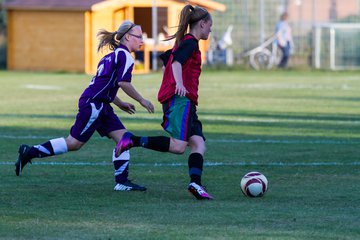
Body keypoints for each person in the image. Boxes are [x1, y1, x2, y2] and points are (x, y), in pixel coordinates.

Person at [15, 20, 155, 191]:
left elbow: (104, 85)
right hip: (94, 105)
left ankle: (122, 181)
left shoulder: (111, 55)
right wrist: (142, 100)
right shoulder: (125, 56)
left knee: (124, 139)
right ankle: (29, 152)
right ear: (127, 37)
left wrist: (119, 103)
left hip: (101, 104)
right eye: (139, 37)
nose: (142, 40)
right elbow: (123, 83)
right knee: (73, 143)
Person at [115, 5, 214, 200]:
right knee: (178, 146)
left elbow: (168, 59)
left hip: (186, 101)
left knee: (198, 143)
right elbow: (176, 62)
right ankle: (132, 140)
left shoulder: (185, 42)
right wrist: (178, 83)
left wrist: (172, 78)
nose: (210, 30)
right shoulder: (190, 43)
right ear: (202, 24)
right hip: (180, 100)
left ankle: (196, 184)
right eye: (210, 26)